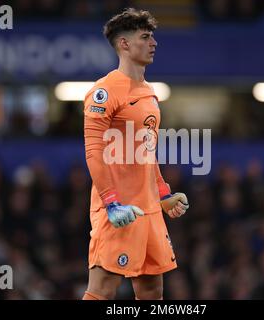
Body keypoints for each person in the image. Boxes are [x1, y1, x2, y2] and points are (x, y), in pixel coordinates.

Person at [82, 8, 189, 300]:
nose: (153, 43)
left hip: (149, 209)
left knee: (152, 290)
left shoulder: (149, 92)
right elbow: (93, 151)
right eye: (145, 37)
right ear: (124, 45)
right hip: (118, 208)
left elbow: (146, 153)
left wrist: (163, 194)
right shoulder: (104, 92)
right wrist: (111, 202)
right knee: (103, 288)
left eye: (152, 36)